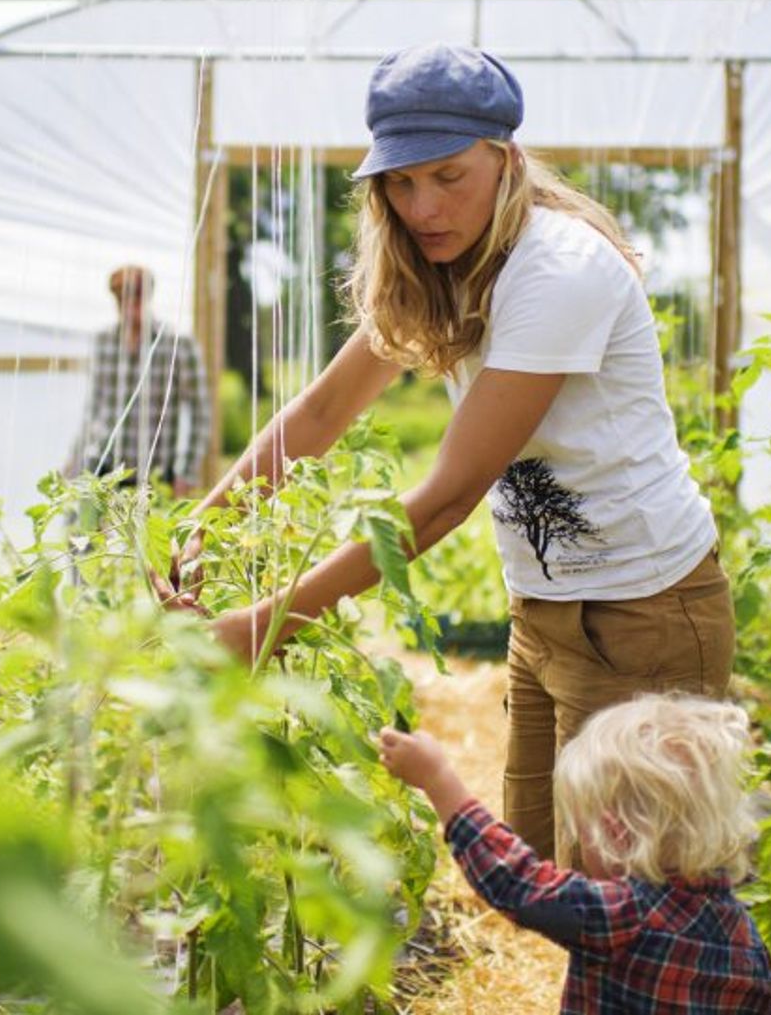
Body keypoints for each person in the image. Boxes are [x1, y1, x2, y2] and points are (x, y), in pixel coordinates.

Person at [165, 42, 732, 864]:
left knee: (629, 902)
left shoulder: (557, 268)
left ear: (503, 160)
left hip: (646, 611)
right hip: (545, 609)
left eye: (446, 175)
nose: (421, 204)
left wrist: (268, 623)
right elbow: (321, 409)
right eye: (400, 181)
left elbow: (446, 494)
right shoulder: (441, 267)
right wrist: (202, 535)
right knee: (546, 861)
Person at [377, 693, 771, 1014]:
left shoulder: (625, 917)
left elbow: (516, 884)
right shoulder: (746, 941)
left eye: (580, 827)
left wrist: (437, 779)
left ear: (615, 834)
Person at [69, 264, 212, 497]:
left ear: (148, 297)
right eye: (122, 296)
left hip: (156, 473)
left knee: (152, 532)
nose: (129, 304)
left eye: (136, 295)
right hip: (104, 468)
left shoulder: (177, 344)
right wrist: (75, 458)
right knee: (86, 529)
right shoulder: (103, 342)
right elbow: (93, 409)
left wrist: (186, 472)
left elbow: (200, 412)